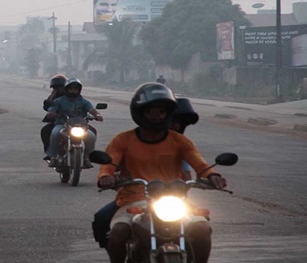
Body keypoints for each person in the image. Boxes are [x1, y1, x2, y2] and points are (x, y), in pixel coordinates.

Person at [96, 83, 227, 263]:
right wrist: (106, 177)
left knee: (202, 229)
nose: (156, 116)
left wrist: (213, 176)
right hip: (133, 199)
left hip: (175, 200)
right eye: (151, 111)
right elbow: (108, 164)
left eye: (162, 112)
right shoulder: (123, 140)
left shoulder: (179, 140)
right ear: (140, 111)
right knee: (119, 232)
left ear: (168, 113)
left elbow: (199, 163)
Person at [91, 96, 199, 249]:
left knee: (201, 226)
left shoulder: (179, 145)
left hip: (171, 200)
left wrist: (209, 177)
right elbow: (111, 166)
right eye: (173, 122)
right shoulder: (127, 141)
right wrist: (110, 178)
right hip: (135, 197)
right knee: (103, 220)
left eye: (179, 123)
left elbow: (193, 171)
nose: (175, 126)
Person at [44, 78, 103, 168]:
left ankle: (87, 157)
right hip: (62, 124)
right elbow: (51, 110)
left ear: (79, 90)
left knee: (91, 136)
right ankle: (53, 156)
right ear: (67, 89)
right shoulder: (59, 100)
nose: (73, 91)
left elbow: (92, 110)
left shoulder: (83, 101)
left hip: (81, 125)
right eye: (71, 88)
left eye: (75, 89)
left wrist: (98, 115)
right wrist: (51, 114)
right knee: (55, 133)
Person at [41, 74, 68, 158]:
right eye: (55, 87)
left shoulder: (73, 94)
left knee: (90, 133)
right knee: (45, 131)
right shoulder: (54, 97)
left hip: (74, 121)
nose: (58, 89)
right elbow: (46, 107)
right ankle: (50, 153)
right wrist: (52, 97)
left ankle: (87, 154)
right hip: (58, 121)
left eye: (60, 87)